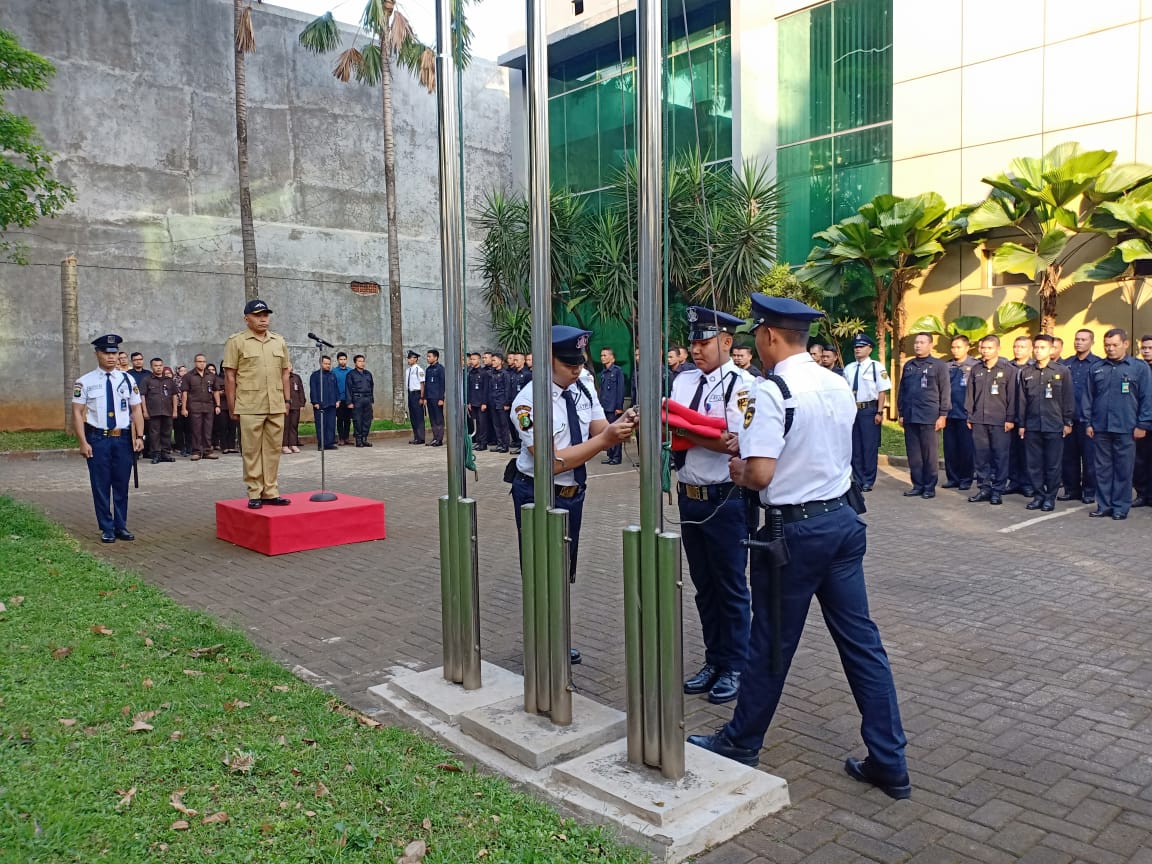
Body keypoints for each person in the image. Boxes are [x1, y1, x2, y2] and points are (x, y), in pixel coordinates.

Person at [688, 295, 909, 800]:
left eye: (757, 336)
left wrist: (741, 470)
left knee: (769, 644)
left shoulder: (773, 391)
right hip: (842, 522)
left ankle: (741, 741)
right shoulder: (835, 382)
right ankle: (890, 760)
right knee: (863, 645)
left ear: (769, 336)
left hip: (793, 534)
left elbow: (761, 473)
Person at [510, 325, 636, 664]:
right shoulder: (528, 403)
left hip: (573, 493)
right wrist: (606, 440)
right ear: (547, 359)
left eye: (579, 362)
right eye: (568, 364)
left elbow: (599, 429)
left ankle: (557, 637)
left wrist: (622, 424)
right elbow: (549, 462)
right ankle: (541, 645)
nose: (576, 369)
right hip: (538, 492)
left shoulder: (583, 386)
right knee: (540, 571)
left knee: (564, 568)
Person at [669, 307, 755, 704]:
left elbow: (734, 442)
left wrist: (683, 427)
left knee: (730, 587)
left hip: (725, 499)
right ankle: (714, 659)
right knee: (704, 587)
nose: (696, 349)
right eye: (693, 342)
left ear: (726, 341)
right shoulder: (684, 380)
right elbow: (684, 431)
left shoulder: (743, 385)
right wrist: (696, 431)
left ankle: (736, 665)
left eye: (704, 342)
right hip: (690, 497)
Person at [72, 335, 145, 543]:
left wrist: (140, 436)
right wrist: (83, 442)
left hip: (122, 439)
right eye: (106, 353)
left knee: (121, 484)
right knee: (100, 484)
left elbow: (136, 409)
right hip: (98, 439)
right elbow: (77, 412)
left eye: (114, 353)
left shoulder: (127, 379)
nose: (111, 357)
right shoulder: (85, 382)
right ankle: (106, 527)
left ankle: (121, 526)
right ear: (97, 354)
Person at [223, 298, 293, 509]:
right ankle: (255, 492)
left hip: (275, 403)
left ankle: (270, 491)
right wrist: (232, 405)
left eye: (266, 316)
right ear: (247, 319)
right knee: (251, 451)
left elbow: (285, 373)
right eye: (258, 316)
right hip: (250, 404)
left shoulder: (278, 341)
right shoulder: (236, 342)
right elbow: (230, 376)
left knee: (273, 450)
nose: (263, 320)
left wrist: (287, 400)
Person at [1084, 328, 1152, 520]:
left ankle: (1120, 507)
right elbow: (1088, 398)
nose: (1110, 349)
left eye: (1114, 345)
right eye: (1107, 345)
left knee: (1124, 469)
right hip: (1101, 427)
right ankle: (1104, 506)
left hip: (1127, 428)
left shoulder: (1139, 368)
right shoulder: (1096, 368)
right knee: (1102, 469)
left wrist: (1143, 424)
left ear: (1126, 344)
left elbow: (1147, 398)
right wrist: (1088, 423)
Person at [1017, 334, 1075, 511]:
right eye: (1036, 347)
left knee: (1053, 464)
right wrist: (1021, 424)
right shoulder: (1026, 372)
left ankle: (1050, 497)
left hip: (1054, 425)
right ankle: (1038, 496)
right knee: (1034, 464)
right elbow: (1022, 401)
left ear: (1051, 350)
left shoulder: (1062, 371)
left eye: (1042, 348)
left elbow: (1068, 398)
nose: (1038, 351)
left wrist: (1067, 422)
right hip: (1032, 425)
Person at [965, 335, 1018, 506]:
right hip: (979, 420)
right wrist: (970, 415)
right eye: (983, 348)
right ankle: (984, 488)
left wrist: (1010, 418)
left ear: (997, 349)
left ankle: (997, 490)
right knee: (981, 456)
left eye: (989, 348)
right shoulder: (976, 369)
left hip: (1000, 421)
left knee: (1000, 456)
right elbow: (970, 394)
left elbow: (1013, 396)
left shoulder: (1009, 370)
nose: (985, 351)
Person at [897, 333, 949, 498]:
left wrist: (943, 415)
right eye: (916, 342)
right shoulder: (909, 365)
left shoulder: (939, 365)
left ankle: (929, 487)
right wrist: (901, 412)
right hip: (910, 415)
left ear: (930, 345)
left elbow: (945, 391)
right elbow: (902, 390)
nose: (918, 345)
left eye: (922, 342)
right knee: (914, 454)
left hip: (929, 416)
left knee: (929, 454)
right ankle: (917, 485)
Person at [841, 333, 890, 492]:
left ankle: (868, 480)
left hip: (869, 410)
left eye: (861, 347)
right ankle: (858, 479)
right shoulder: (849, 368)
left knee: (869, 446)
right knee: (854, 446)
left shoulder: (876, 367)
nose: (858, 349)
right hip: (852, 410)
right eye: (856, 347)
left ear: (869, 349)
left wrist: (879, 412)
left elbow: (882, 391)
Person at [1061, 328, 1100, 504]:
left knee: (1090, 458)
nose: (1079, 342)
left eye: (1084, 339)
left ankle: (1089, 491)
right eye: (1077, 339)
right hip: (1069, 419)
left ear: (1092, 342)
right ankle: (1071, 490)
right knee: (1069, 457)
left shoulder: (1098, 365)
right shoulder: (1067, 364)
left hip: (1088, 420)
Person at [943, 335, 977, 490]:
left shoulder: (975, 366)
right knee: (950, 448)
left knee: (966, 448)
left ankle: (966, 478)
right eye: (953, 347)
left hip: (965, 414)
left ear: (967, 348)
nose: (955, 350)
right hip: (950, 413)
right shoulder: (947, 366)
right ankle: (952, 478)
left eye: (959, 347)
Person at [1006, 336, 1035, 495]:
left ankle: (1027, 483)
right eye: (1016, 346)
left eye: (1022, 347)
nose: (1018, 350)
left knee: (1027, 451)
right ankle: (1014, 481)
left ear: (1030, 349)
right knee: (1011, 450)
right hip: (1009, 414)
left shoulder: (1034, 367)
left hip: (1028, 415)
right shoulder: (1007, 367)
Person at [181, 353, 220, 461]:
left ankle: (207, 451)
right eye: (199, 361)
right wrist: (184, 408)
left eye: (203, 361)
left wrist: (218, 405)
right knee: (196, 430)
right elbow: (184, 393)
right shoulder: (188, 376)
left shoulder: (211, 376)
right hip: (194, 406)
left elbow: (216, 391)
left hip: (208, 406)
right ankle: (196, 452)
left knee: (208, 430)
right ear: (195, 362)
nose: (202, 364)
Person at [141, 357, 177, 463]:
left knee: (167, 432)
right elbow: (142, 396)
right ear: (152, 367)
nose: (158, 368)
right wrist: (145, 411)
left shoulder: (169, 380)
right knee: (154, 434)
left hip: (167, 411)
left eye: (160, 365)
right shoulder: (147, 380)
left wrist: (175, 410)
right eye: (156, 366)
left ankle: (165, 453)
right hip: (153, 412)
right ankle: (156, 454)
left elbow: (174, 395)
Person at [598, 347, 626, 464]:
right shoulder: (603, 373)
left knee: (616, 432)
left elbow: (620, 390)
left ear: (612, 357)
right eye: (601, 355)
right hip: (605, 406)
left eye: (605, 355)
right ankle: (610, 455)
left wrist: (619, 406)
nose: (602, 358)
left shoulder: (617, 371)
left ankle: (616, 457)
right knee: (606, 431)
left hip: (613, 407)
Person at [1133, 334, 1152, 507]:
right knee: (1140, 460)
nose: (1146, 351)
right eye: (1144, 348)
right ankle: (1142, 494)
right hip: (1140, 422)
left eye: (1150, 348)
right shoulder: (1136, 368)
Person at [310, 355, 340, 451]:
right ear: (321, 363)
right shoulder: (315, 375)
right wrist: (315, 402)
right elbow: (313, 389)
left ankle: (329, 443)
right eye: (326, 363)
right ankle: (321, 444)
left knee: (331, 424)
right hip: (320, 404)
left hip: (332, 403)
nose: (328, 365)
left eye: (329, 364)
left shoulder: (332, 375)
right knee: (321, 425)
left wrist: (338, 400)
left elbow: (336, 388)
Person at [347, 354, 375, 447]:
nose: (362, 363)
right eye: (359, 361)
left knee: (367, 419)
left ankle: (364, 438)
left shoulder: (368, 374)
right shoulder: (351, 374)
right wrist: (349, 402)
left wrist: (371, 399)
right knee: (357, 420)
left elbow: (371, 386)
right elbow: (348, 388)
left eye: (363, 361)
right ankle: (358, 439)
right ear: (355, 363)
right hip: (357, 399)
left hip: (367, 399)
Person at [507, 352, 532, 453]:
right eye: (514, 360)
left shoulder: (527, 374)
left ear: (522, 361)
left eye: (516, 360)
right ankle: (518, 444)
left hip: (524, 405)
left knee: (525, 426)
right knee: (515, 426)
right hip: (514, 403)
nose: (514, 362)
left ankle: (524, 447)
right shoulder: (513, 373)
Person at [487, 352, 512, 453]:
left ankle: (505, 445)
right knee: (496, 425)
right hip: (493, 402)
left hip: (501, 402)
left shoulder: (505, 374)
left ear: (501, 361)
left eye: (494, 360)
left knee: (503, 425)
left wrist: (507, 403)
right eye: (492, 360)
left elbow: (507, 389)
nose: (492, 362)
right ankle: (499, 443)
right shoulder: (491, 374)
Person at [467, 352, 490, 450]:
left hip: (481, 402)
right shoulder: (470, 372)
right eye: (471, 359)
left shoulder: (483, 373)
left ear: (479, 360)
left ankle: (483, 443)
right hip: (473, 402)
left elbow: (486, 389)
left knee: (482, 423)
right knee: (476, 423)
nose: (472, 361)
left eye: (474, 359)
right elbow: (469, 388)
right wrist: (468, 402)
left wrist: (484, 403)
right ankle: (478, 441)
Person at [424, 349, 446, 446]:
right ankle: (435, 437)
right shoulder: (428, 369)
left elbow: (442, 384)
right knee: (432, 418)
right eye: (427, 356)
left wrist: (441, 398)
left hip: (437, 397)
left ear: (436, 357)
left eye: (430, 356)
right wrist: (425, 397)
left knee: (438, 418)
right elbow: (426, 384)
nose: (428, 358)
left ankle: (439, 439)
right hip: (429, 397)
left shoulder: (440, 369)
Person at [405, 350, 426, 445]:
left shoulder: (419, 370)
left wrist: (422, 397)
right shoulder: (408, 370)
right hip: (410, 394)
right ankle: (416, 437)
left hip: (417, 394)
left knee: (419, 416)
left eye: (410, 358)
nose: (408, 360)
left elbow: (422, 384)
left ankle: (421, 437)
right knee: (413, 416)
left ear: (415, 359)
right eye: (408, 358)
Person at [333, 352, 353, 447]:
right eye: (341, 359)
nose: (343, 361)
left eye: (344, 359)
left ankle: (346, 438)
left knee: (348, 419)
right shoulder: (334, 372)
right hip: (339, 399)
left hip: (348, 399)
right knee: (340, 419)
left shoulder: (351, 371)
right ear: (338, 360)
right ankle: (341, 438)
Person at [283, 369, 306, 454]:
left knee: (294, 425)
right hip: (284, 406)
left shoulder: (296, 377)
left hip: (295, 405)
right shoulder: (281, 377)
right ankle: (284, 445)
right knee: (285, 426)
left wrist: (302, 403)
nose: (290, 368)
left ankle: (293, 444)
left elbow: (301, 390)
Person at [171, 364, 190, 456]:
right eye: (181, 371)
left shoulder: (189, 379)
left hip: (188, 406)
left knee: (188, 428)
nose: (183, 372)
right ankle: (180, 446)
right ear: (177, 371)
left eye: (185, 371)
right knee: (178, 427)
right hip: (177, 405)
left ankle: (189, 446)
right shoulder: (174, 380)